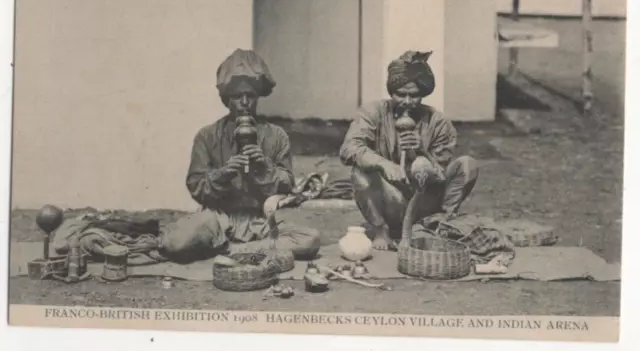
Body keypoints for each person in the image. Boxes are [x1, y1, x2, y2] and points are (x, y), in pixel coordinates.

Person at [159, 49, 321, 263]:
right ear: (227, 99)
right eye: (237, 96)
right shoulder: (207, 136)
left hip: (260, 219)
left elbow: (288, 183)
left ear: (258, 97)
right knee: (174, 243)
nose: (244, 102)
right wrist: (223, 174)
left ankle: (233, 251)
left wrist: (264, 167)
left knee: (309, 240)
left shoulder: (276, 135)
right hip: (219, 218)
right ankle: (250, 249)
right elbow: (196, 186)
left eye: (251, 96)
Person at [339, 50, 479, 251]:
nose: (406, 101)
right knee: (359, 173)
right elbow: (349, 148)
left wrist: (421, 151)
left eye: (414, 96)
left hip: (424, 200)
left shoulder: (439, 122)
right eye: (400, 94)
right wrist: (384, 164)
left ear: (423, 94)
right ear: (391, 92)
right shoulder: (372, 112)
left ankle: (440, 223)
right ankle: (381, 230)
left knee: (468, 165)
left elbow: (439, 174)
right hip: (391, 199)